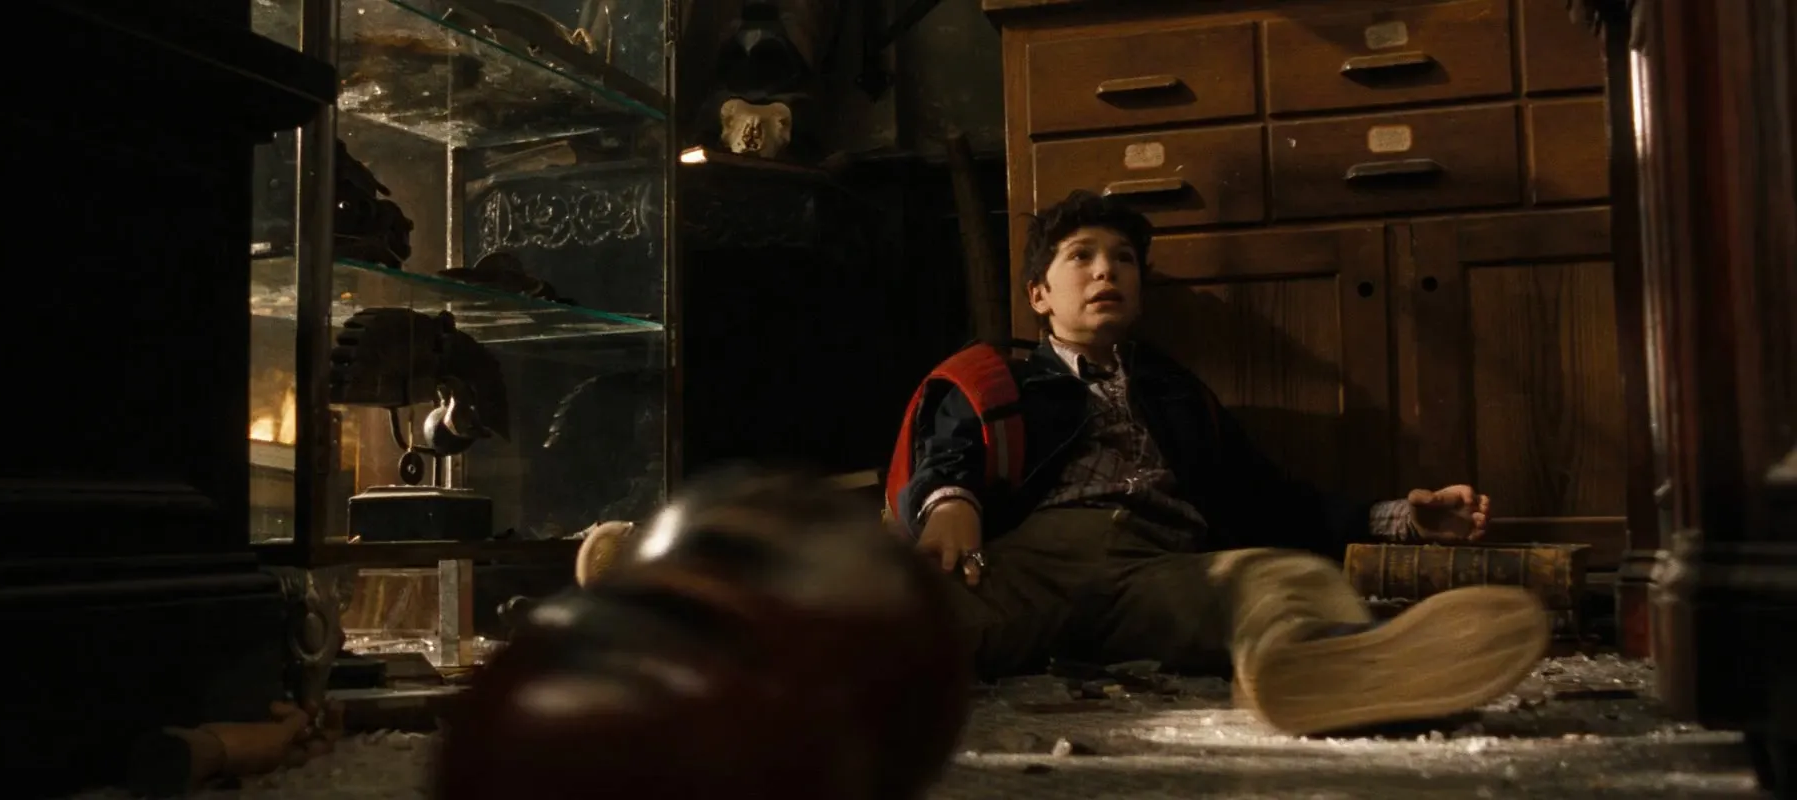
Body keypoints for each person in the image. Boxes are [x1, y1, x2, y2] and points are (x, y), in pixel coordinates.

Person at [579, 189, 1549, 736]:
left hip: (1161, 566)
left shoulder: (1178, 392)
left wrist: (1396, 515)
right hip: (1026, 556)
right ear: (1040, 293)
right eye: (1082, 256)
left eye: (1122, 259)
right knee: (904, 622)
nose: (1105, 271)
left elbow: (1266, 495)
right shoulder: (995, 371)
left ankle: (1323, 670)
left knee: (1277, 580)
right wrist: (949, 508)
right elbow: (946, 450)